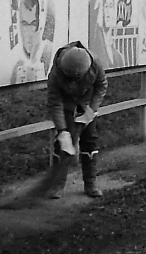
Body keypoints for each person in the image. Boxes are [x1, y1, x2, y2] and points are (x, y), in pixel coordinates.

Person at [45, 41, 108, 199]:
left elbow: (101, 85)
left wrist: (91, 110)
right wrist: (62, 130)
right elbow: (55, 102)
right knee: (63, 145)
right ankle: (57, 185)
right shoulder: (55, 74)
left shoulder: (95, 65)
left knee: (90, 141)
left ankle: (90, 183)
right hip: (66, 104)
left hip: (85, 103)